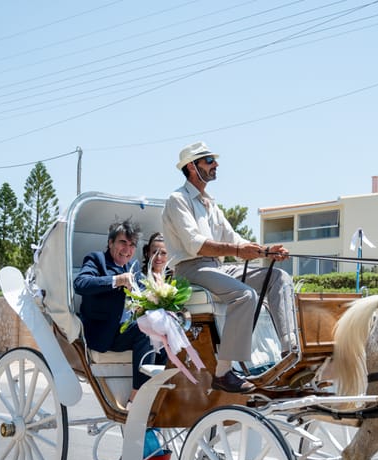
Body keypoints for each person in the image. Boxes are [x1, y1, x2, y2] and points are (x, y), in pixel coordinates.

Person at [162, 141, 297, 394]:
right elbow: (195, 244)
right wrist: (237, 251)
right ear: (192, 167)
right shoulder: (177, 200)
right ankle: (223, 373)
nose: (216, 165)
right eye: (209, 161)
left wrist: (267, 252)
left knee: (278, 277)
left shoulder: (210, 203)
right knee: (245, 295)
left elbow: (235, 239)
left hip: (216, 268)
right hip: (191, 269)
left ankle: (290, 351)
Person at [73, 219, 160, 405]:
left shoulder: (134, 267)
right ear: (110, 242)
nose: (127, 249)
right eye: (123, 242)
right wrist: (116, 280)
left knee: (165, 330)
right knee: (146, 331)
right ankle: (137, 397)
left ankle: (161, 387)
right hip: (104, 334)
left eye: (132, 245)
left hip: (126, 329)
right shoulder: (96, 260)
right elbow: (80, 284)